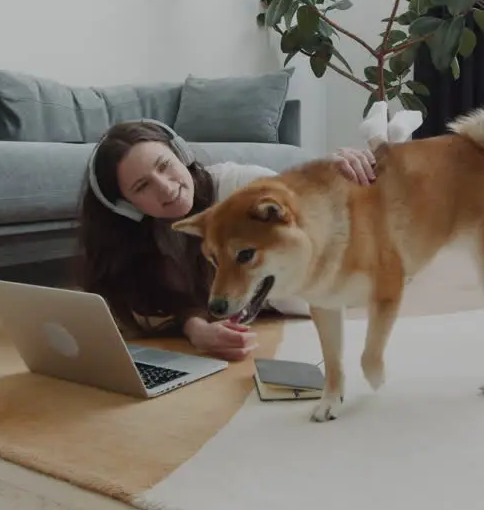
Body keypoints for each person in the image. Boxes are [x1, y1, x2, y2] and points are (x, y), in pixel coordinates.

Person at [75, 118, 376, 361]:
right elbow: (167, 304)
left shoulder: (242, 186)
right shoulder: (154, 237)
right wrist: (196, 328)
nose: (166, 189)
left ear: (182, 154)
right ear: (127, 208)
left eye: (165, 166)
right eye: (143, 186)